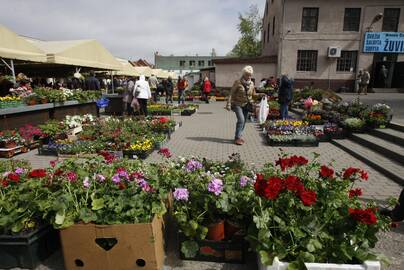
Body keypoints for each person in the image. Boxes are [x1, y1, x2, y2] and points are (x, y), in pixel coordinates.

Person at [226, 66, 259, 146]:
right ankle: (237, 137)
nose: (249, 76)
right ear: (244, 74)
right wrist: (229, 104)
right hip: (237, 104)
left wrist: (261, 94)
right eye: (247, 74)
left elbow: (253, 94)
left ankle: (239, 136)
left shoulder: (252, 83)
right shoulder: (238, 82)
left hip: (247, 105)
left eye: (250, 75)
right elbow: (231, 93)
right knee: (241, 120)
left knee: (244, 121)